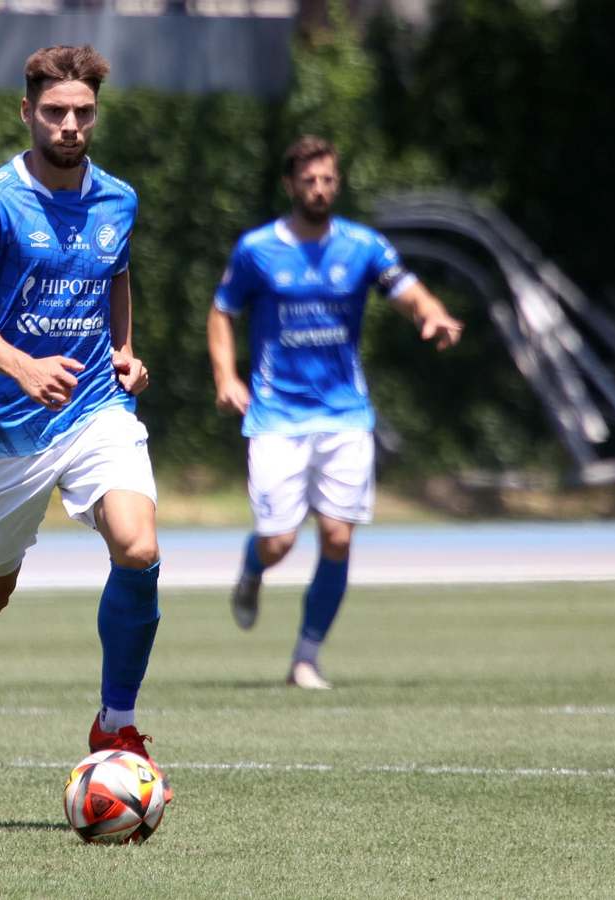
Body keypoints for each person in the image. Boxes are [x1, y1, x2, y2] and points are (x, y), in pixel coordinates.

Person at [0, 45, 165, 823]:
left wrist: (123, 349)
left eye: (83, 112)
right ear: (26, 112)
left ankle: (116, 723)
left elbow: (116, 273)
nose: (69, 125)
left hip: (95, 408)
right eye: (55, 112)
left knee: (139, 548)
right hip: (7, 430)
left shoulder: (118, 199)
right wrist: (23, 366)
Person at [207, 135, 461, 690]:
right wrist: (227, 377)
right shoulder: (257, 249)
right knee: (278, 542)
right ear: (290, 185)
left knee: (339, 538)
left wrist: (434, 315)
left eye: (327, 180)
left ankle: (306, 657)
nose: (319, 190)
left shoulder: (362, 245)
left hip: (346, 414)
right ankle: (252, 570)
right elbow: (222, 312)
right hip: (276, 416)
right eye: (309, 181)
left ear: (336, 184)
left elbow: (409, 290)